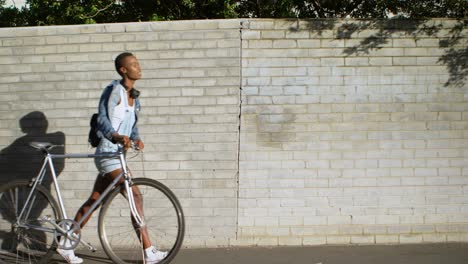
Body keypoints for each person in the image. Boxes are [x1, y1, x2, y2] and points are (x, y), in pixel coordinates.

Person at [56, 52, 167, 264]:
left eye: (138, 63)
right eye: (133, 64)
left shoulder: (134, 96)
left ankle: (65, 244)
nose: (138, 67)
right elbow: (103, 119)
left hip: (118, 154)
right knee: (136, 196)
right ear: (123, 70)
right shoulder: (113, 90)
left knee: (95, 200)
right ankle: (148, 250)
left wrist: (136, 139)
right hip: (108, 153)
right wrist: (115, 136)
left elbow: (131, 126)